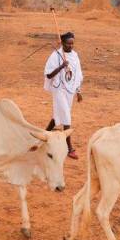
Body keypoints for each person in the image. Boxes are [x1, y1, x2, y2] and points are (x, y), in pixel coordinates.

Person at [44, 31, 83, 159]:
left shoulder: (75, 56)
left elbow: (77, 75)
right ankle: (69, 148)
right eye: (68, 44)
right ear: (62, 43)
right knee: (66, 115)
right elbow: (49, 75)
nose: (70, 46)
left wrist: (78, 91)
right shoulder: (56, 55)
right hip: (59, 89)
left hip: (70, 90)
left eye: (72, 44)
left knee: (59, 115)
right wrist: (61, 66)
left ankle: (45, 134)